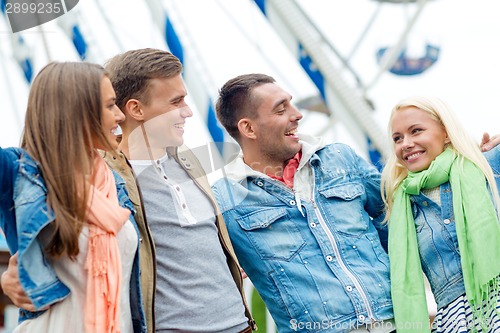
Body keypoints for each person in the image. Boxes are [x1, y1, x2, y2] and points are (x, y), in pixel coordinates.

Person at [212, 73, 395, 333]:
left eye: (291, 103)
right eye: (281, 109)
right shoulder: (223, 202)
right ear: (248, 128)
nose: (297, 114)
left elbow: (399, 221)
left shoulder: (341, 159)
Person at [104, 48, 256, 332]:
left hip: (241, 326)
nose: (187, 111)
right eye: (176, 102)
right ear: (136, 109)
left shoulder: (187, 159)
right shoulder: (104, 178)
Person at [0, 62, 146, 333]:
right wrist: (4, 280)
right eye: (110, 105)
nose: (120, 115)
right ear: (78, 112)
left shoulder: (114, 182)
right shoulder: (19, 174)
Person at [380, 96, 500, 333]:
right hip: (455, 322)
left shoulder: (487, 166)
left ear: (446, 133)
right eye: (397, 138)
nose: (406, 143)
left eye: (416, 131)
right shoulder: (400, 209)